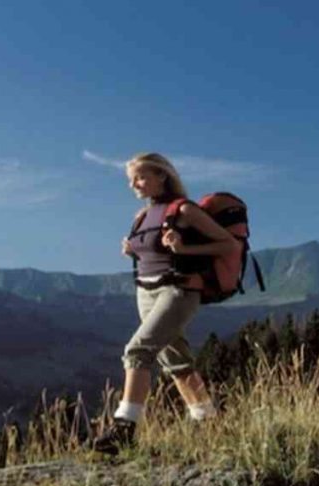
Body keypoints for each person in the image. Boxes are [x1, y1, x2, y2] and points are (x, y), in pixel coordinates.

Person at [94, 153, 237, 454]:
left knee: (138, 350)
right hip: (145, 291)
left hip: (178, 290)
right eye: (131, 179)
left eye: (141, 176)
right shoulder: (141, 216)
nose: (134, 183)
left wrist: (185, 247)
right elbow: (151, 252)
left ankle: (124, 427)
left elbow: (228, 244)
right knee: (175, 362)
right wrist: (133, 251)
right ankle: (208, 423)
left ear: (162, 176)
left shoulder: (184, 210)